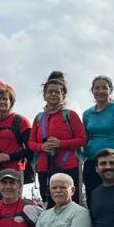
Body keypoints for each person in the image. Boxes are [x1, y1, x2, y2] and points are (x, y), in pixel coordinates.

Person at [28, 72, 86, 204]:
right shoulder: (39, 118)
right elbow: (31, 143)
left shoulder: (70, 115)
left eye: (57, 92)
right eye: (50, 92)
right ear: (44, 95)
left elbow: (82, 139)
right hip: (44, 167)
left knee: (72, 202)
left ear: (63, 95)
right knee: (48, 202)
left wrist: (60, 143)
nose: (53, 94)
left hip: (69, 166)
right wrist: (41, 147)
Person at [82, 76, 114, 200]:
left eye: (104, 88)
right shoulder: (87, 114)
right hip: (92, 163)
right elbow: (85, 139)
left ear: (110, 90)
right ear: (92, 91)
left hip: (113, 163)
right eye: (97, 88)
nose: (100, 91)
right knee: (94, 201)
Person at [0, 87, 33, 202]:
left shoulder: (20, 121)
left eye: (5, 99)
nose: (1, 102)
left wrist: (9, 156)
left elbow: (31, 149)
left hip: (13, 169)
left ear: (11, 102)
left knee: (12, 203)